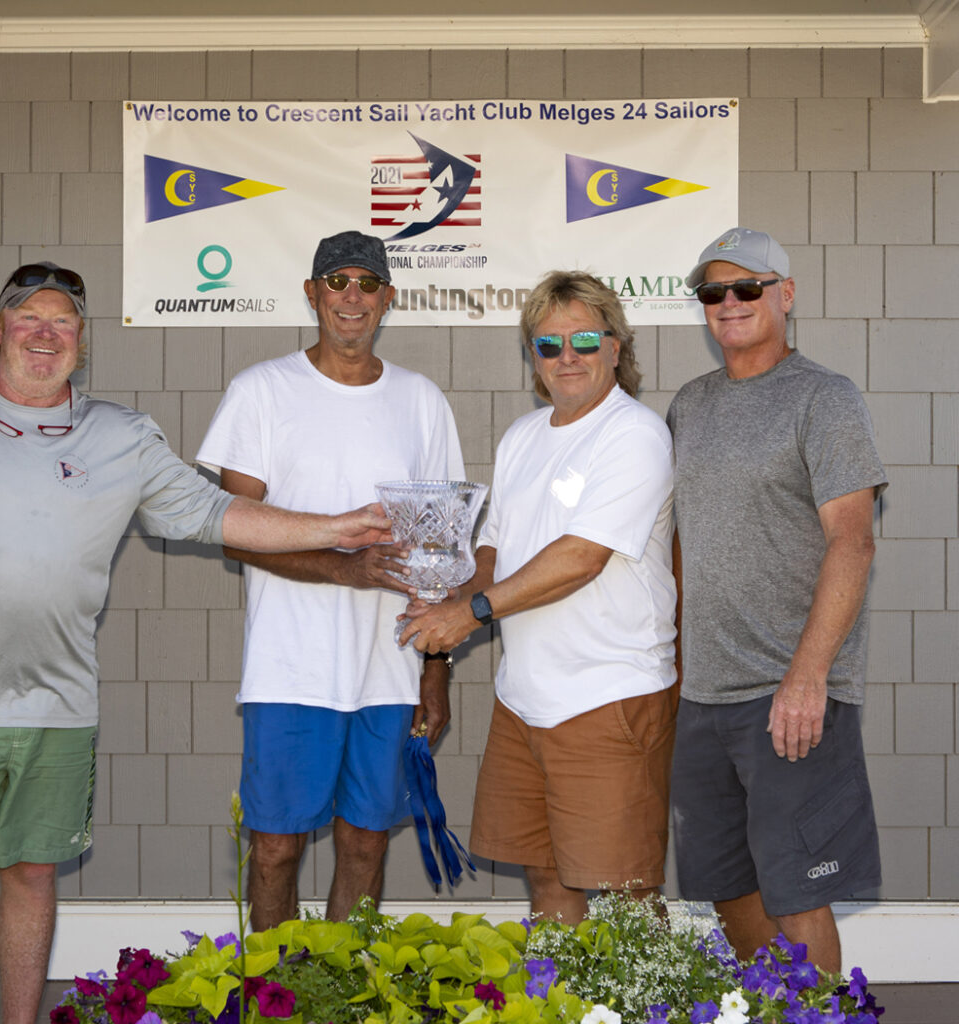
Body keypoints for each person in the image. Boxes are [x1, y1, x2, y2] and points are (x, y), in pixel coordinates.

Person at [0, 262, 392, 1024]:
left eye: (63, 323)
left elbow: (216, 514)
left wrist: (335, 527)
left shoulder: (121, 436)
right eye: (28, 320)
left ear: (81, 341)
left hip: (57, 705)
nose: (44, 335)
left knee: (32, 874)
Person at [197, 230, 464, 929]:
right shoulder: (261, 391)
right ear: (312, 293)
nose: (353, 297)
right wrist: (345, 569)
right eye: (338, 281)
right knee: (277, 848)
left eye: (367, 284)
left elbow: (438, 549)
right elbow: (236, 528)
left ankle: (342, 994)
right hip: (291, 669)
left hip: (391, 668)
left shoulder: (422, 400)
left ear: (388, 300)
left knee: (365, 843)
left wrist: (435, 671)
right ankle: (279, 998)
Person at [400, 270, 678, 922]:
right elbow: (495, 551)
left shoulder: (634, 435)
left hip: (608, 696)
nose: (567, 356)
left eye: (583, 338)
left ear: (616, 346)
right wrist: (446, 603)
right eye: (547, 344)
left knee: (626, 893)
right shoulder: (522, 438)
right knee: (548, 881)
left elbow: (580, 558)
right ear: (533, 357)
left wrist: (466, 615)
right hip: (523, 699)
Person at [667, 227, 887, 972]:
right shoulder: (689, 405)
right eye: (713, 292)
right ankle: (772, 1010)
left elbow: (853, 541)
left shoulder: (824, 399)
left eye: (747, 288)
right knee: (726, 890)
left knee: (798, 894)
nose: (729, 303)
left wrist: (808, 675)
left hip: (791, 695)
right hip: (703, 695)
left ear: (784, 295)